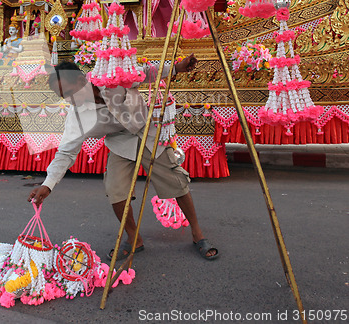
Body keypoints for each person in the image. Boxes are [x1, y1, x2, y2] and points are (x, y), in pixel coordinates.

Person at [28, 56, 219, 261]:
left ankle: (197, 233)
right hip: (120, 143)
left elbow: (147, 73)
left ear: (81, 79)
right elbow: (65, 152)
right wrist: (47, 185)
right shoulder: (77, 117)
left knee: (176, 182)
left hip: (148, 132)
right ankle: (133, 237)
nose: (68, 99)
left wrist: (177, 69)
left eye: (68, 91)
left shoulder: (112, 78)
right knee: (115, 190)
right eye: (62, 95)